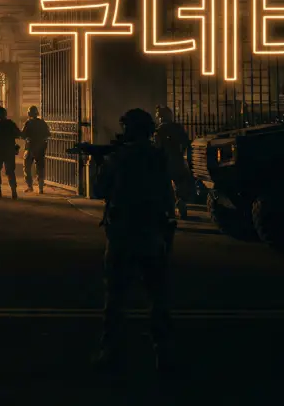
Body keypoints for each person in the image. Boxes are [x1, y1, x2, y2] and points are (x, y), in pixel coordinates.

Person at [94, 108, 177, 374]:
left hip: (123, 233)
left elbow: (99, 190)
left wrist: (99, 162)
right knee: (158, 296)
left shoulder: (119, 158)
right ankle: (163, 352)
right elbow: (167, 194)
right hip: (151, 232)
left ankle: (111, 352)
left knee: (116, 297)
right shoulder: (156, 157)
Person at [154, 105, 196, 219]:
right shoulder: (178, 128)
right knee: (179, 185)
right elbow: (186, 142)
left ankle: (170, 211)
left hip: (165, 161)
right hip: (178, 159)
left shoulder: (159, 130)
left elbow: (157, 146)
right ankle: (181, 205)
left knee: (166, 187)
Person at [21, 105, 51, 194]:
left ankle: (30, 187)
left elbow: (23, 135)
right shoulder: (42, 122)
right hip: (40, 148)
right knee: (40, 167)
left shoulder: (28, 123)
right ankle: (40, 188)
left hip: (30, 148)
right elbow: (48, 134)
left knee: (27, 168)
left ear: (29, 113)